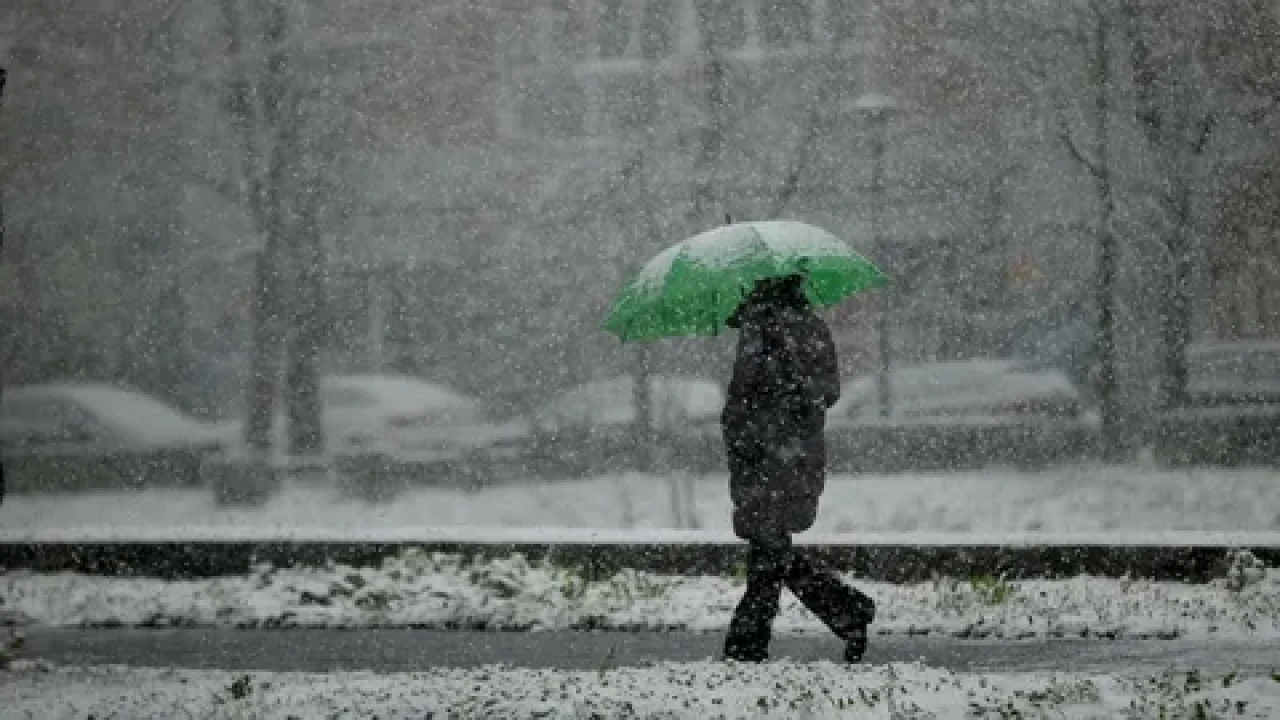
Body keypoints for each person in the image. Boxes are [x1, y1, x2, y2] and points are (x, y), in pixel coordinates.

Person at [720, 274, 875, 663]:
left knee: (769, 547)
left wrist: (743, 426)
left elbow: (743, 399)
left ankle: (751, 641)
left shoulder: (760, 328)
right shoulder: (812, 328)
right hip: (800, 454)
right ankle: (839, 614)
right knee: (770, 549)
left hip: (762, 457)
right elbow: (829, 392)